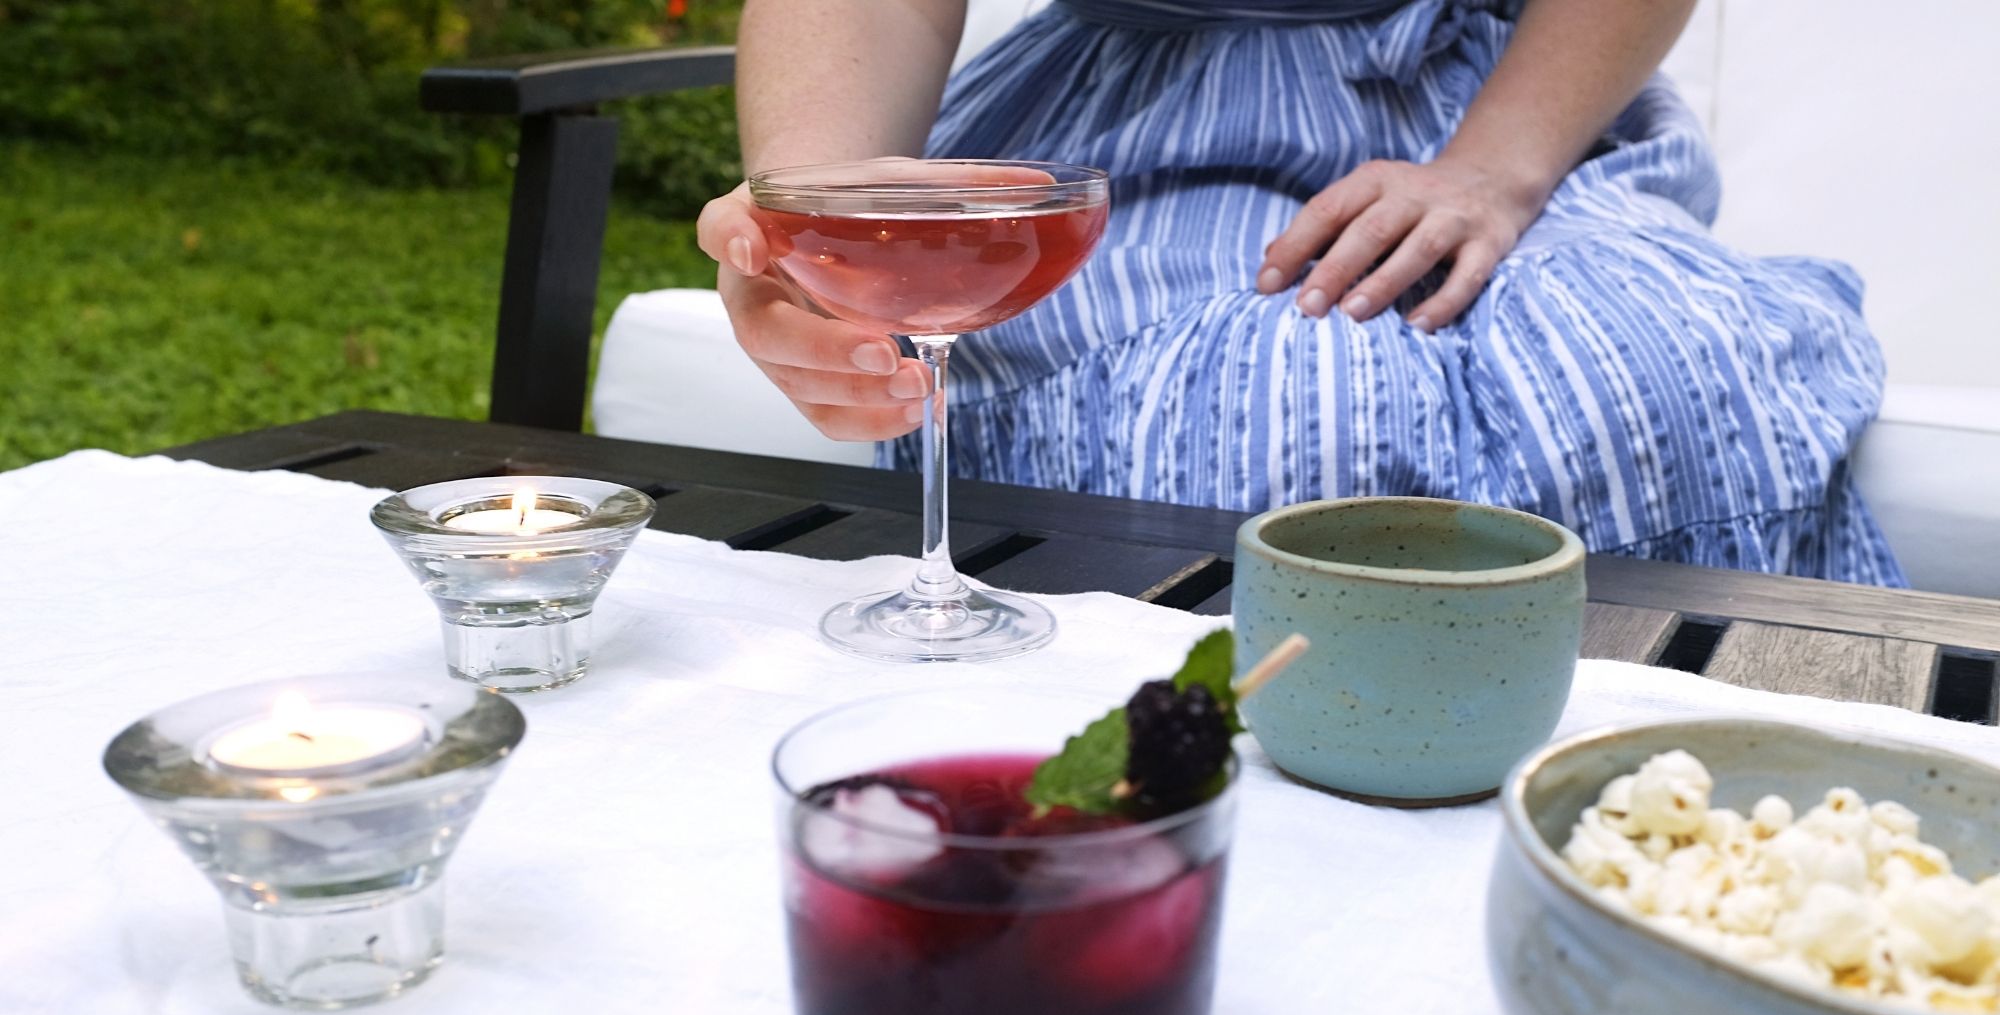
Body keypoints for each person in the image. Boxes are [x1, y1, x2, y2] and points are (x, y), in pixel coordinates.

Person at [697, 0, 1904, 586]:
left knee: (1646, 377)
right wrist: (817, 218)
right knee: (1271, 407)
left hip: (1493, 104)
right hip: (1129, 115)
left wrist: (1492, 169)